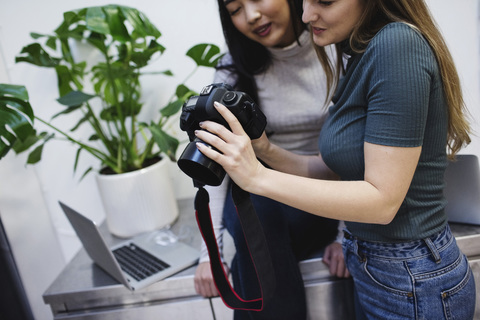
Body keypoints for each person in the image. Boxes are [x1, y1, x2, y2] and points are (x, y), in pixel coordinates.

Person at [194, 0, 477, 319]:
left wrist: (258, 177)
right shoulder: (361, 54)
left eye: (324, 1)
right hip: (377, 265)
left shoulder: (396, 46)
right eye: (305, 1)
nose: (306, 15)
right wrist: (264, 150)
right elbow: (330, 168)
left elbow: (382, 202)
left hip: (409, 271)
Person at [193, 0, 349, 319]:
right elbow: (217, 156)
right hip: (262, 198)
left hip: (323, 195)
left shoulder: (338, 50)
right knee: (253, 205)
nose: (251, 16)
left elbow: (355, 151)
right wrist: (209, 254)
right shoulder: (233, 68)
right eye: (235, 9)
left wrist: (346, 236)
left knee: (249, 251)